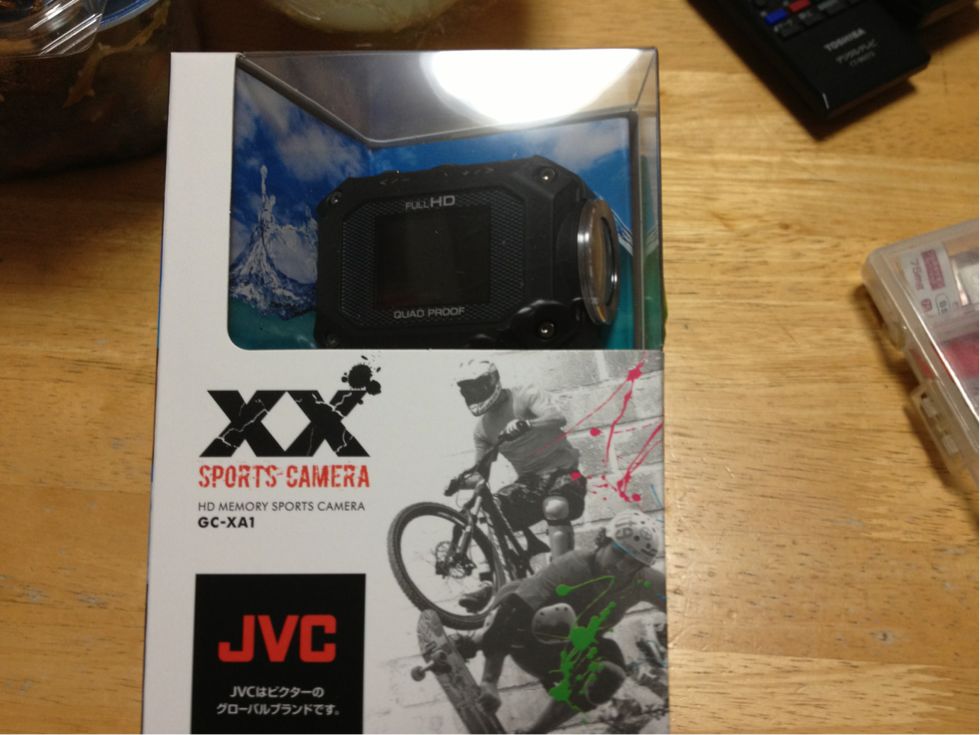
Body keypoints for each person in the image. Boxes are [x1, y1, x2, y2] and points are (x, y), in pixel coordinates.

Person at [456, 510, 666, 734]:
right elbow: (514, 610)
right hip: (524, 637)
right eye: (618, 553)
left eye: (633, 563)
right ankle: (475, 640)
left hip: (561, 656)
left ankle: (535, 732)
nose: (622, 567)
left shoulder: (644, 581)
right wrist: (490, 681)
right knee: (551, 611)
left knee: (611, 672)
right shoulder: (573, 566)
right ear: (603, 541)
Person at [452, 358, 587, 610]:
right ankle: (489, 581)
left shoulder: (525, 395)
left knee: (555, 507)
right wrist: (462, 480)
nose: (473, 394)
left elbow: (557, 418)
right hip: (530, 482)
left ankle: (560, 578)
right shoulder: (482, 429)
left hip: (566, 472)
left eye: (477, 387)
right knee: (490, 511)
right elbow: (482, 473)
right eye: (467, 390)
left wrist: (527, 423)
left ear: (492, 380)